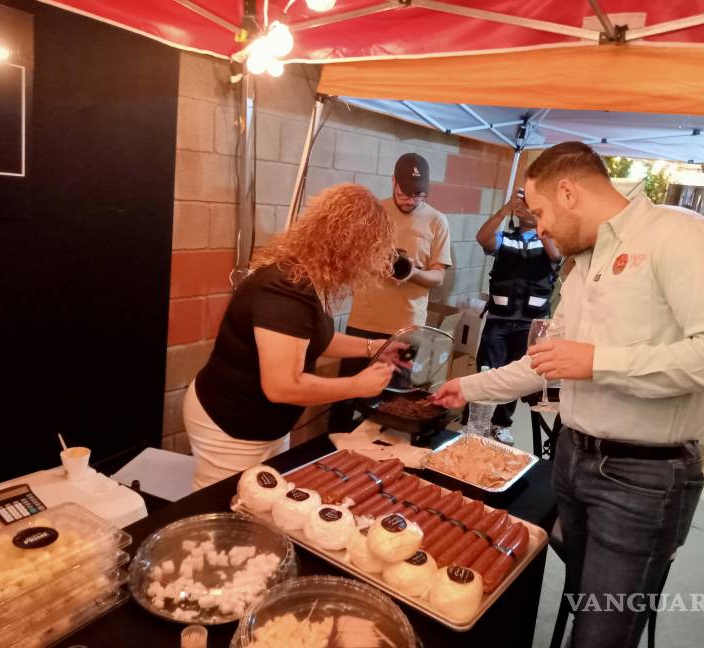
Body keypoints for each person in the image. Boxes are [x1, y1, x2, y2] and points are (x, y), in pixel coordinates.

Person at [432, 142, 704, 648]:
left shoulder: (682, 237)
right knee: (580, 600)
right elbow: (543, 362)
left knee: (604, 633)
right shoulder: (587, 261)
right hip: (574, 457)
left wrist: (599, 361)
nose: (538, 227)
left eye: (540, 212)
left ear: (568, 192)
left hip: (643, 478)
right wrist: (467, 387)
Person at [183, 184, 400, 489]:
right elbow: (282, 386)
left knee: (263, 504)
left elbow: (314, 340)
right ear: (352, 249)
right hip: (231, 423)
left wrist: (374, 348)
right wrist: (355, 386)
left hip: (263, 423)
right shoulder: (286, 289)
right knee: (226, 510)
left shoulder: (305, 276)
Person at [329, 153, 452, 431]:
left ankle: (380, 461)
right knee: (345, 398)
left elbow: (438, 277)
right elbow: (348, 259)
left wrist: (413, 272)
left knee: (393, 403)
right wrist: (377, 261)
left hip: (406, 329)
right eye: (405, 193)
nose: (411, 200)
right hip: (362, 322)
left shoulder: (437, 221)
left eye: (419, 195)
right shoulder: (375, 213)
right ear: (393, 181)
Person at [474, 188, 560, 444]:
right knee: (488, 372)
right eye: (523, 205)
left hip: (530, 324)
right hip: (499, 320)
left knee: (515, 376)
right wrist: (504, 209)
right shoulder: (505, 239)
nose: (526, 209)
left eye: (533, 206)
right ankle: (479, 421)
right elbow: (483, 238)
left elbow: (556, 255)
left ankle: (501, 423)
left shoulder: (548, 239)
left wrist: (539, 223)